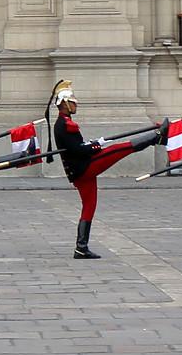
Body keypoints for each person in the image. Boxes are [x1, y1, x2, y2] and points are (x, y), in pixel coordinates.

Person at [50, 80, 168, 259]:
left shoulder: (64, 123)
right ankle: (156, 137)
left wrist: (93, 143)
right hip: (84, 167)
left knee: (89, 206)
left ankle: (81, 248)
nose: (76, 105)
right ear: (65, 103)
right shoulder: (65, 124)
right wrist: (97, 146)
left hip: (78, 170)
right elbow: (78, 150)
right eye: (73, 102)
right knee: (118, 149)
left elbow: (77, 146)